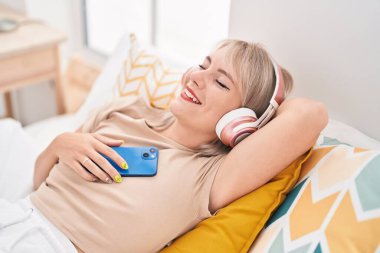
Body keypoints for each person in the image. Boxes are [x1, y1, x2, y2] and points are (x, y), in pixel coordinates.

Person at [0, 39, 328, 253]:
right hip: (14, 216)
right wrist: (58, 146)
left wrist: (263, 114)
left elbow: (312, 115)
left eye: (221, 81)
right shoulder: (125, 110)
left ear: (241, 119)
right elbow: (37, 187)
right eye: (203, 65)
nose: (196, 78)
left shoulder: (210, 176)